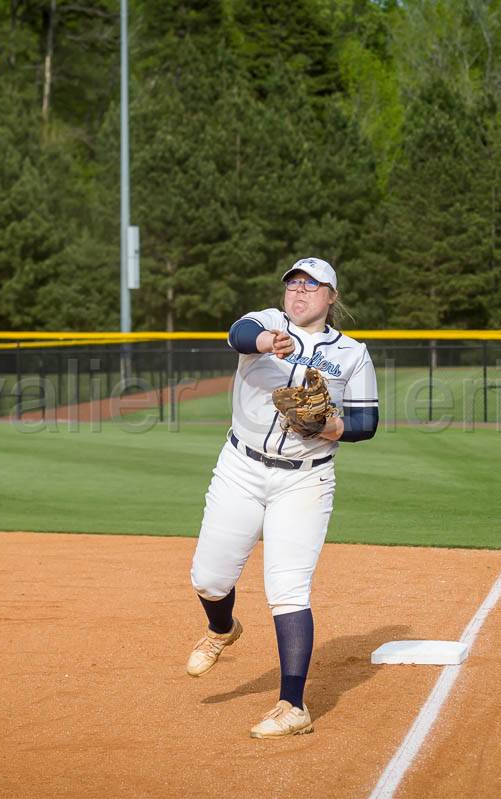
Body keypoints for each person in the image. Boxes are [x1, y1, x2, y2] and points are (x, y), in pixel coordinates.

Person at [185, 256, 379, 738]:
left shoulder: (352, 354)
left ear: (331, 297)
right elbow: (237, 333)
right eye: (294, 284)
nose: (300, 292)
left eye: (313, 286)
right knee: (209, 579)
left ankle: (293, 705)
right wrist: (268, 342)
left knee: (287, 589)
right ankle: (222, 629)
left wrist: (330, 425)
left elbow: (366, 422)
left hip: (305, 481)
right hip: (241, 469)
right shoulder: (269, 324)